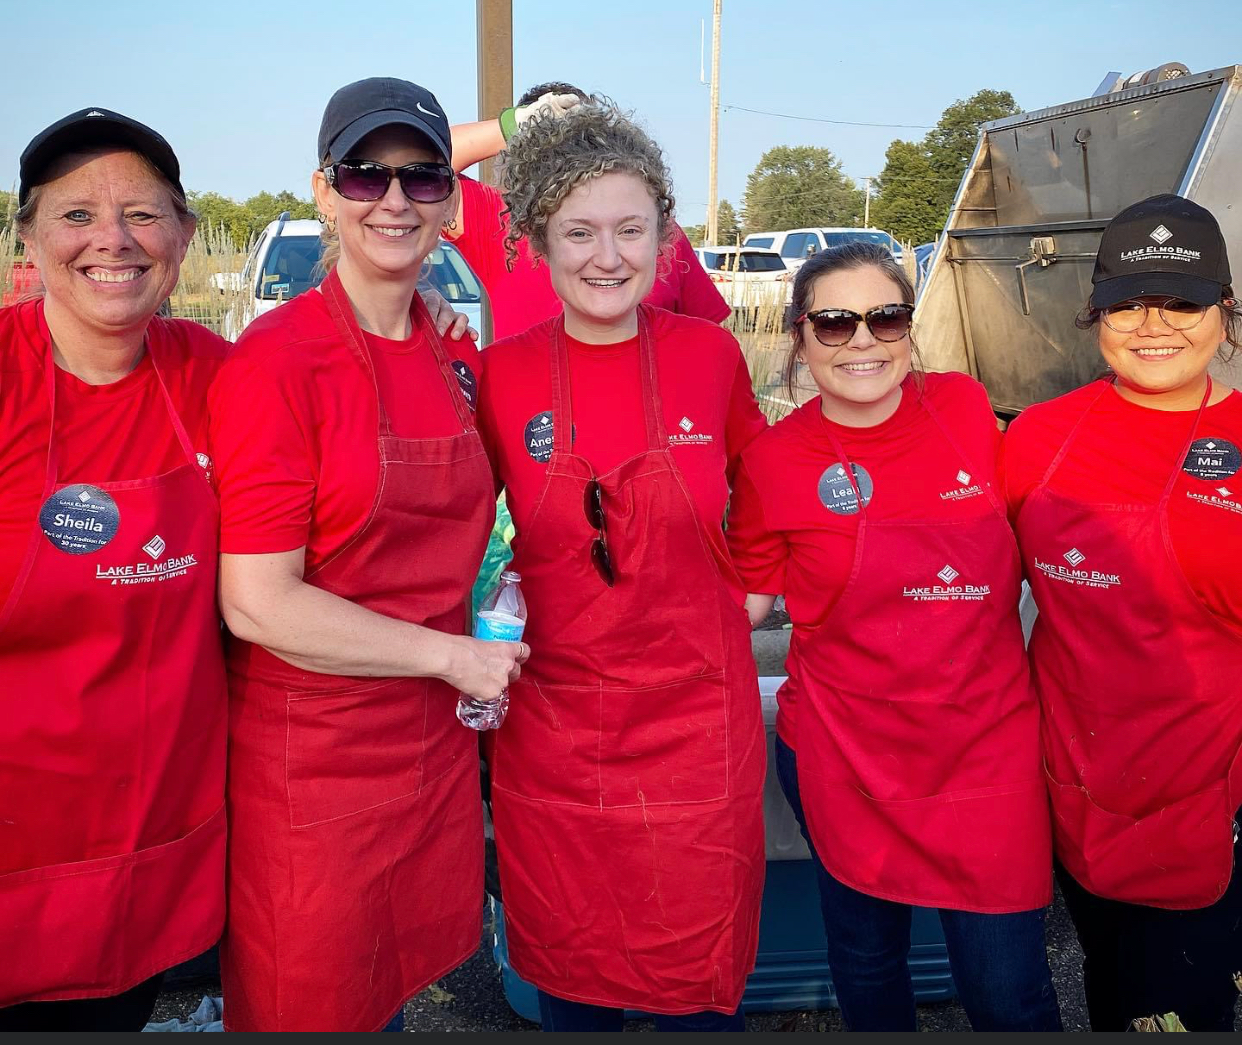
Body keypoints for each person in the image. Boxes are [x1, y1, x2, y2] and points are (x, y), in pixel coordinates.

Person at [209, 78, 527, 1032]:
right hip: (314, 765)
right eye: (365, 174)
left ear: (452, 201)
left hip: (425, 753)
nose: (394, 200)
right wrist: (452, 657)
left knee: (387, 1000)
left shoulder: (457, 354)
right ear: (323, 190)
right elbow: (259, 603)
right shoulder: (275, 362)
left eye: (423, 177)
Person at [476, 104, 767, 1031]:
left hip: (695, 731)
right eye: (579, 232)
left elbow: (773, 500)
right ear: (536, 243)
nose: (607, 257)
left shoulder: (711, 358)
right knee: (574, 985)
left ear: (665, 237)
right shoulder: (498, 375)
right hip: (557, 736)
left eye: (630, 229)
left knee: (693, 988)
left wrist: (754, 601)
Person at [727, 244, 1061, 1032]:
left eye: (886, 318)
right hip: (846, 753)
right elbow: (740, 607)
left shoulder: (967, 409)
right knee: (869, 964)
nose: (864, 342)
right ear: (801, 336)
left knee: (1009, 988)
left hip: (986, 749)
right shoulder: (773, 462)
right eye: (836, 324)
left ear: (909, 328)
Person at [0, 109, 227, 1029]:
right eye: (75, 214)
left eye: (141, 213)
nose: (112, 240)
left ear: (182, 235)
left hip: (148, 844)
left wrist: (421, 309)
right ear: (28, 237)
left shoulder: (218, 374)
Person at [1004, 194, 1242, 1031]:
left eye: (1182, 301)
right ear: (1095, 310)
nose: (1154, 324)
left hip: (1211, 808)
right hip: (1077, 794)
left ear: (1224, 312)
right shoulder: (1037, 437)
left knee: (1189, 1011)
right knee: (1114, 995)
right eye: (1128, 301)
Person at [444, 81, 731, 339]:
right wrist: (518, 123)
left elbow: (710, 341)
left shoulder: (651, 229)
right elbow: (428, 162)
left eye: (585, 137)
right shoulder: (502, 219)